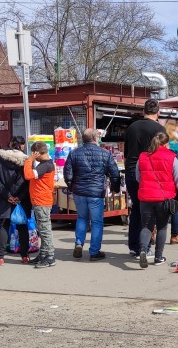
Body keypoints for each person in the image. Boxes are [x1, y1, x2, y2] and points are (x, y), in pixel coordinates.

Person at [135, 132, 178, 268]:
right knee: (162, 227)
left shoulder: (142, 157)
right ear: (166, 144)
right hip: (164, 198)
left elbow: (138, 177)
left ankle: (143, 250)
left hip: (146, 197)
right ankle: (158, 257)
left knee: (147, 226)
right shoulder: (172, 157)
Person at [64, 129, 120, 261]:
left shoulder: (74, 153)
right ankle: (94, 251)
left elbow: (67, 174)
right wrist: (115, 188)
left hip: (79, 192)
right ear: (96, 138)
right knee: (97, 222)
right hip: (96, 192)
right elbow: (115, 173)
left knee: (82, 218)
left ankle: (79, 243)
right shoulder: (105, 154)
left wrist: (72, 187)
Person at [124, 100, 167, 259]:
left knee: (136, 208)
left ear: (143, 111)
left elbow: (127, 151)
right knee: (148, 212)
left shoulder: (131, 127)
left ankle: (134, 246)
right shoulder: (159, 129)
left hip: (130, 171)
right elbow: (161, 153)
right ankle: (145, 246)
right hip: (149, 173)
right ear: (158, 113)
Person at [0, 137, 31, 266]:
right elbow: (28, 182)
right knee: (22, 226)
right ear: (22, 146)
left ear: (10, 145)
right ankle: (25, 255)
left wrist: (7, 195)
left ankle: (0, 257)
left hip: (3, 198)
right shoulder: (26, 161)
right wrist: (20, 196)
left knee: (4, 225)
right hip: (21, 199)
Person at [23, 142, 58, 268]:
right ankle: (43, 254)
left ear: (36, 153)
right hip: (41, 200)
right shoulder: (47, 164)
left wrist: (29, 160)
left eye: (33, 154)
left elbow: (28, 175)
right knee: (43, 230)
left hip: (41, 201)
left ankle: (50, 257)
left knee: (44, 230)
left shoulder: (45, 165)